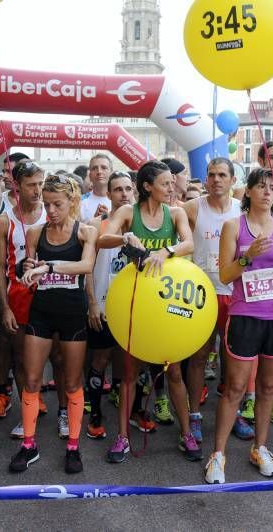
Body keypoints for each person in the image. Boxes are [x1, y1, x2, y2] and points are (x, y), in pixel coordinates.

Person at [98, 160, 199, 463]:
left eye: (172, 183)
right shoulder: (129, 213)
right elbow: (103, 239)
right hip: (136, 304)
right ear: (147, 187)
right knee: (129, 375)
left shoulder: (176, 212)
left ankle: (186, 435)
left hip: (167, 304)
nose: (172, 188)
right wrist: (124, 237)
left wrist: (164, 251)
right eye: (166, 183)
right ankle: (122, 438)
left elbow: (189, 243)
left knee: (176, 374)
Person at [204, 168, 273, 484]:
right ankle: (218, 454)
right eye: (261, 186)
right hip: (245, 316)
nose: (268, 192)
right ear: (249, 191)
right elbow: (226, 276)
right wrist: (248, 257)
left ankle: (260, 447)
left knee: (269, 388)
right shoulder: (234, 226)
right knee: (235, 388)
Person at [9, 174, 97, 473]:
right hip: (42, 311)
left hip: (73, 312)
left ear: (72, 201)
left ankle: (73, 447)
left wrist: (49, 265)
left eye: (57, 204)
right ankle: (29, 445)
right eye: (47, 204)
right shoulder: (35, 232)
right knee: (32, 380)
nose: (51, 210)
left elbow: (86, 266)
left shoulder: (85, 232)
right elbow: (30, 269)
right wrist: (29, 269)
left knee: (72, 382)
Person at [182, 158, 253, 444]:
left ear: (233, 180)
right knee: (199, 357)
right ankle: (194, 415)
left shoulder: (241, 211)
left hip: (234, 294)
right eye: (211, 175)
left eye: (222, 175)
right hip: (203, 293)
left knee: (231, 360)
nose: (215, 180)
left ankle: (232, 412)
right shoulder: (192, 207)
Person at [0, 161, 47, 434]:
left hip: (51, 293)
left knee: (56, 358)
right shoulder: (4, 221)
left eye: (41, 184)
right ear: (17, 186)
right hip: (19, 296)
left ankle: (48, 404)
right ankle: (27, 413)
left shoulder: (53, 212)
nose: (38, 190)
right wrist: (4, 307)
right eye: (31, 185)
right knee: (22, 357)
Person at [85, 171, 136, 440]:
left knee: (131, 363)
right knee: (100, 359)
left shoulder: (141, 223)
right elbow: (88, 268)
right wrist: (92, 302)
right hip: (103, 306)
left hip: (135, 308)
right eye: (118, 189)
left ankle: (136, 410)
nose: (124, 194)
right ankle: (95, 412)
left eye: (128, 188)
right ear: (109, 193)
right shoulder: (97, 224)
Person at [0, 152, 31, 217]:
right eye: (4, 171)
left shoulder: (42, 202)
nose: (4, 175)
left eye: (9, 172)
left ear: (24, 173)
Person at [79, 154, 113, 222]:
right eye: (94, 168)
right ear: (90, 175)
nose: (99, 172)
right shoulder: (79, 202)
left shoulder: (120, 199)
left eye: (104, 167)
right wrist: (94, 222)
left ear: (111, 173)